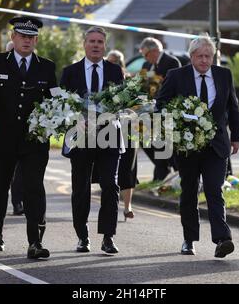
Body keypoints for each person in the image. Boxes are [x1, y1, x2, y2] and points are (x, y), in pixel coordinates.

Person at [0, 16, 57, 259]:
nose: (27, 41)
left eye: (31, 37)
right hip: (2, 138)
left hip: (34, 140)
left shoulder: (47, 67)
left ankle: (35, 242)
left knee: (34, 189)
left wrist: (60, 120)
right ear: (13, 37)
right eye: (23, 36)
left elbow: (56, 100)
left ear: (36, 40)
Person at [156, 34, 239, 258]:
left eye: (208, 56)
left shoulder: (224, 75)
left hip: (216, 145)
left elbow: (232, 106)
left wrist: (237, 136)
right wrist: (177, 120)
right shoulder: (177, 75)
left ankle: (222, 239)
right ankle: (189, 239)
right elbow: (161, 104)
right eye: (200, 56)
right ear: (192, 56)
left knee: (215, 190)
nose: (205, 61)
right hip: (187, 146)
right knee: (189, 192)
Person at [60, 26, 124, 254]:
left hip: (110, 136)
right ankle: (82, 236)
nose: (96, 45)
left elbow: (121, 103)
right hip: (80, 137)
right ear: (84, 44)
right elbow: (62, 106)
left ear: (104, 45)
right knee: (80, 188)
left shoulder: (116, 72)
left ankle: (108, 237)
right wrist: (77, 119)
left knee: (110, 184)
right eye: (91, 41)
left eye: (99, 41)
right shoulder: (70, 72)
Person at [139, 37, 181, 182]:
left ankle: (166, 171)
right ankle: (161, 167)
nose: (145, 58)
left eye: (146, 54)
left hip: (166, 110)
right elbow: (142, 85)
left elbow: (174, 87)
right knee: (143, 138)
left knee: (164, 142)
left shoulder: (171, 62)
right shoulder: (147, 64)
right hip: (149, 109)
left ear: (155, 51)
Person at [106, 49, 137, 221]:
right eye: (111, 61)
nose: (114, 64)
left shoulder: (130, 82)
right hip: (109, 130)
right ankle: (111, 202)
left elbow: (139, 104)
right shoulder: (104, 80)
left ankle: (127, 206)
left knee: (128, 169)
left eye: (117, 61)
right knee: (109, 170)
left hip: (129, 130)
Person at [5, 40, 24, 216]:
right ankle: (16, 202)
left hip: (28, 132)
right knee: (12, 171)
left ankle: (22, 200)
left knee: (24, 171)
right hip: (6, 133)